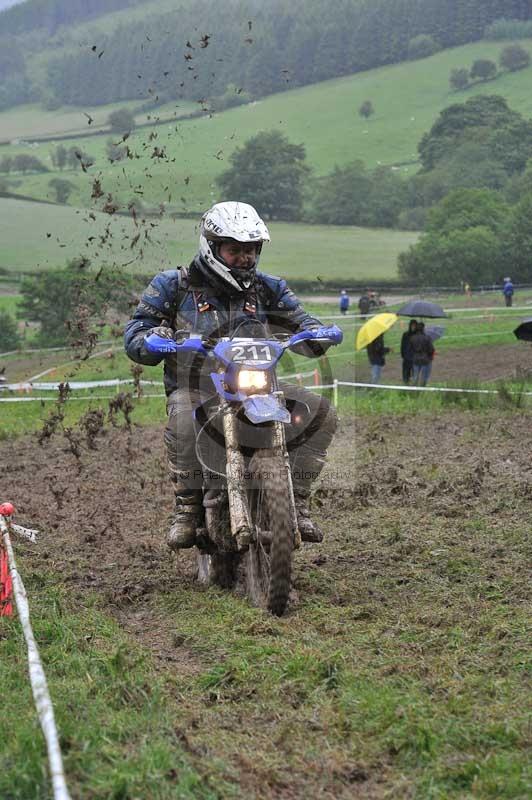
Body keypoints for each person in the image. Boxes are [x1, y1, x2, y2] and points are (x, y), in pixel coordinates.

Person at [124, 201, 338, 550]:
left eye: (251, 250)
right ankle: (188, 508)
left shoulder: (268, 287)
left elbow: (300, 319)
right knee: (183, 420)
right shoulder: (172, 286)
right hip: (196, 386)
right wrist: (157, 339)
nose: (245, 258)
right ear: (211, 247)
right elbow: (136, 334)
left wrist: (315, 333)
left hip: (258, 385)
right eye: (235, 250)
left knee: (321, 412)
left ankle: (296, 502)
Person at [410, 321, 435, 386]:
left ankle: (414, 390)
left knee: (415, 376)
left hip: (415, 359)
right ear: (423, 329)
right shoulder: (427, 338)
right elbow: (431, 349)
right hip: (425, 359)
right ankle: (423, 388)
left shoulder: (412, 338)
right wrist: (430, 356)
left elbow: (411, 349)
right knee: (424, 377)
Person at [400, 319, 417, 385]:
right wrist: (403, 354)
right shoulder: (405, 334)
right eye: (412, 325)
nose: (413, 327)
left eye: (414, 326)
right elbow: (402, 345)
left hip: (414, 357)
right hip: (406, 357)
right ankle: (406, 383)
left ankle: (414, 385)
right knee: (406, 372)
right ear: (410, 326)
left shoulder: (417, 335)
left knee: (414, 372)